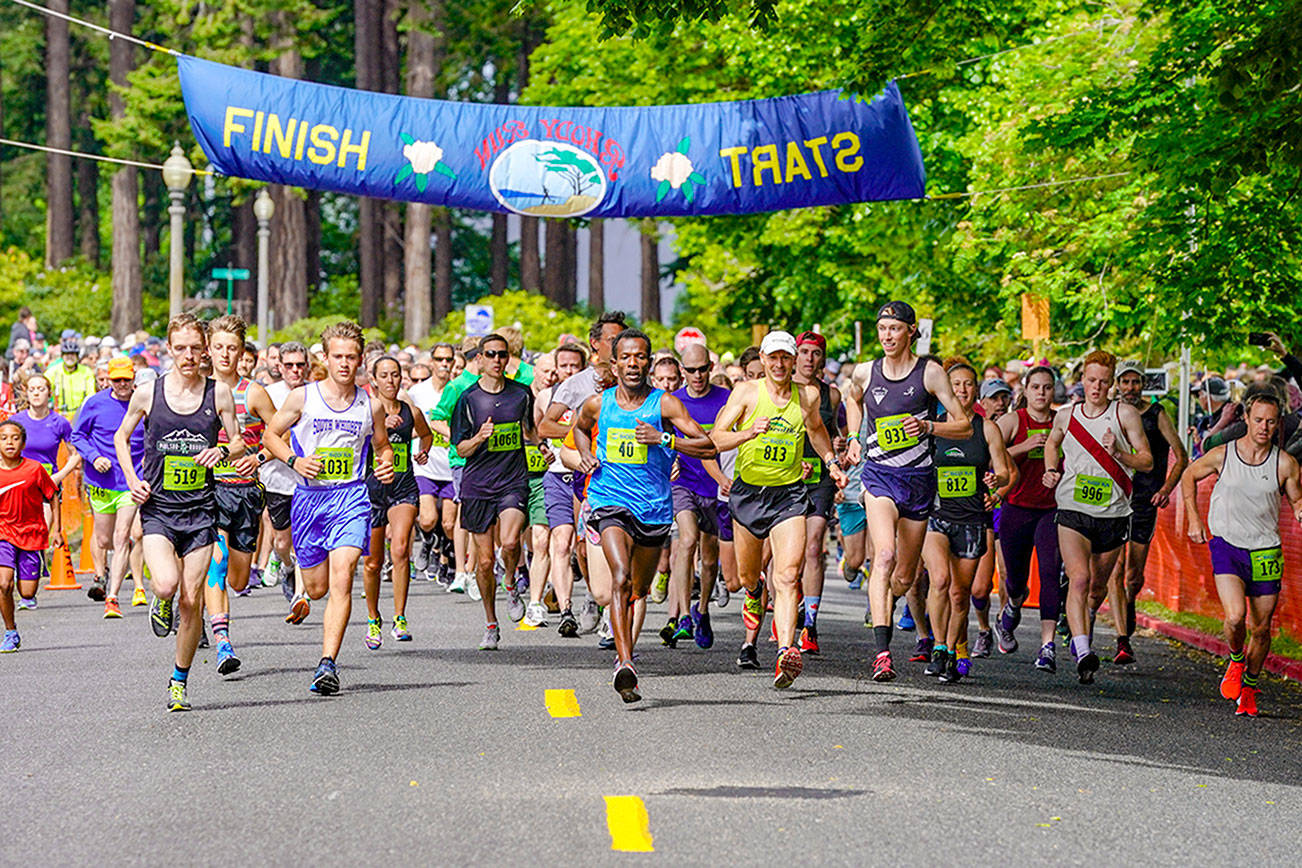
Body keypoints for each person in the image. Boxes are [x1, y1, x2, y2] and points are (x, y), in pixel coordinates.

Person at [571, 328, 716, 701]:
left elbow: (707, 444)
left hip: (652, 508)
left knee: (638, 589)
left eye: (640, 357)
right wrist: (586, 454)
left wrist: (664, 439)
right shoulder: (598, 404)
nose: (634, 363)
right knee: (619, 577)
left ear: (648, 363)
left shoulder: (664, 404)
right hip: (609, 501)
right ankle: (625, 663)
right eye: (627, 357)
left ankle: (626, 654)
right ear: (614, 364)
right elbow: (579, 428)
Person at [115, 314, 245, 712]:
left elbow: (239, 441)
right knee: (167, 585)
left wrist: (222, 450)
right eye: (180, 348)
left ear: (204, 349)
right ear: (168, 350)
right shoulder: (147, 392)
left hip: (202, 511)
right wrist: (132, 478)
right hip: (159, 509)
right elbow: (122, 437)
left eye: (195, 347)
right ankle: (160, 600)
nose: (188, 355)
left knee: (192, 601)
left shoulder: (218, 393)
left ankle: (178, 680)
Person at [264, 321, 395, 695]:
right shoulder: (303, 398)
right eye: (338, 356)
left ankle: (328, 664)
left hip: (351, 497)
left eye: (352, 357)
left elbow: (382, 445)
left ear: (361, 360)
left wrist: (384, 462)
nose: (344, 364)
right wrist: (293, 461)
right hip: (309, 499)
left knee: (343, 576)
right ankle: (303, 587)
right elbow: (272, 435)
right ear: (325, 356)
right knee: (319, 588)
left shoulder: (370, 404)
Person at [711, 330, 846, 688]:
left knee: (787, 576)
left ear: (792, 360)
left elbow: (816, 430)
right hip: (749, 493)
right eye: (773, 358)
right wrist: (746, 434)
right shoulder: (745, 393)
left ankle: (787, 651)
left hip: (788, 494)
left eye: (786, 357)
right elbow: (716, 438)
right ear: (764, 360)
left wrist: (830, 461)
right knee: (746, 577)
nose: (780, 364)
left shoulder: (809, 395)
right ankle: (754, 596)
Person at [844, 302, 971, 682]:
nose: (886, 336)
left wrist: (929, 427)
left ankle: (887, 599)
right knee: (882, 556)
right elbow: (853, 399)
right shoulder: (865, 371)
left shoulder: (929, 374)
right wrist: (854, 436)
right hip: (879, 476)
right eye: (882, 329)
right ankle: (882, 652)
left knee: (904, 576)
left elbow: (963, 425)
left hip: (918, 481)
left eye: (895, 329)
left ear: (911, 332)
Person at [1182, 391, 1302, 717]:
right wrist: (1194, 517)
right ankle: (1236, 659)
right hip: (1227, 544)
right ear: (1246, 419)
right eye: (1258, 419)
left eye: (1271, 421)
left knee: (1261, 629)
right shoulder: (1224, 455)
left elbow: (1297, 503)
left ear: (1278, 424)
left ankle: (1248, 687)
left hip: (1265, 550)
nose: (1264, 427)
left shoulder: (1285, 464)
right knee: (1235, 617)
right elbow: (1188, 475)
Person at [1042, 350, 1152, 684]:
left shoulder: (1126, 415)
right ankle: (1083, 648)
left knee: (1097, 588)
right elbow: (1052, 443)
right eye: (1091, 380)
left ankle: (1083, 623)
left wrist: (1119, 453)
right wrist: (1050, 469)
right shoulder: (1066, 414)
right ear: (1083, 381)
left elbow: (1146, 460)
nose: (1096, 387)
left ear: (1112, 384)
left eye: (1103, 382)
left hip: (1114, 513)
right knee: (1079, 579)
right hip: (1073, 510)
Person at [920, 360, 1012, 682]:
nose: (961, 390)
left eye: (968, 384)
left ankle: (948, 647)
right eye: (955, 384)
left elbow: (1004, 470)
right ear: (946, 389)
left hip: (972, 519)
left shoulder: (987, 429)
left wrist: (995, 483)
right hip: (937, 516)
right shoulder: (933, 426)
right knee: (940, 580)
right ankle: (939, 649)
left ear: (977, 390)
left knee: (961, 595)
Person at [537, 311, 628, 634]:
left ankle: (613, 611)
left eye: (623, 339)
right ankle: (594, 595)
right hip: (583, 472)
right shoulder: (576, 385)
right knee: (583, 547)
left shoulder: (632, 379)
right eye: (612, 340)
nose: (619, 346)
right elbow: (545, 425)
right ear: (595, 344)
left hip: (629, 473)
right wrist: (582, 434)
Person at [450, 333, 537, 651]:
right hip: (478, 484)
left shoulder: (522, 394)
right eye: (491, 354)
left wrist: (543, 447)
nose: (498, 360)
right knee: (485, 562)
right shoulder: (468, 399)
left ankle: (511, 581)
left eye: (503, 354)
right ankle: (490, 622)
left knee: (511, 541)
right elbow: (461, 448)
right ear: (480, 359)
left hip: (513, 480)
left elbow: (530, 431)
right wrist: (479, 438)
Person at [204, 315, 278, 675]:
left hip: (246, 493)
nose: (224, 354)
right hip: (207, 491)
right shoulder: (197, 391)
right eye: (218, 347)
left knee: (237, 578)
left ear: (242, 352)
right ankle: (223, 643)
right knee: (214, 562)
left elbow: (282, 435)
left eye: (231, 348)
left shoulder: (253, 393)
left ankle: (207, 609)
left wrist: (259, 457)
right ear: (209, 349)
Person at [1104, 360, 1188, 665]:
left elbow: (1181, 456)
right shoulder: (1110, 411)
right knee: (1115, 570)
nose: (1129, 388)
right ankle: (1122, 640)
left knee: (1133, 575)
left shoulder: (1157, 413)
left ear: (1143, 385)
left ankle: (1130, 604)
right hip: (1113, 498)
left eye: (1135, 382)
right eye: (1124, 382)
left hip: (1144, 502)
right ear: (1117, 384)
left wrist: (1165, 489)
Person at [993, 365, 1062, 671]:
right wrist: (1023, 446)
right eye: (1036, 387)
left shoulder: (1063, 421)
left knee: (1049, 571)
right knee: (1016, 579)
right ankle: (1012, 604)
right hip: (1016, 507)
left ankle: (1048, 645)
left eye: (1047, 388)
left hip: (1051, 509)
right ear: (1026, 389)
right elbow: (992, 454)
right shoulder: (1012, 421)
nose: (1042, 394)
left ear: (1053, 391)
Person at [361, 356, 431, 648]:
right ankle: (373, 617)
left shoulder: (410, 411)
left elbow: (426, 435)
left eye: (395, 375)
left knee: (401, 548)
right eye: (385, 376)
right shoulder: (363, 410)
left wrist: (423, 451)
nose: (391, 381)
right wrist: (377, 424)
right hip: (370, 490)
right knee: (373, 562)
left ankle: (400, 617)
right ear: (373, 379)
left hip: (403, 486)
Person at [668, 342, 732, 649]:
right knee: (687, 540)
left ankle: (702, 609)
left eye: (702, 369)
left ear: (711, 368)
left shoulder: (726, 399)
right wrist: (668, 463)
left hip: (716, 487)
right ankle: (683, 615)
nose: (697, 376)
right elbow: (657, 440)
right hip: (684, 484)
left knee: (709, 560)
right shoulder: (672, 402)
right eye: (690, 370)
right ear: (682, 371)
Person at [71, 357, 146, 610]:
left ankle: (112, 597)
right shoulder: (94, 403)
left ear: (133, 377)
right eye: (117, 380)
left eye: (127, 379)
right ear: (109, 380)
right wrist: (94, 457)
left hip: (131, 480)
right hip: (102, 481)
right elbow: (77, 436)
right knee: (104, 540)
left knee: (122, 536)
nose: (122, 384)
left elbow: (155, 436)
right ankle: (106, 571)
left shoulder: (144, 402)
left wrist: (148, 461)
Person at [528, 342, 592, 630]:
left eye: (574, 366)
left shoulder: (595, 396)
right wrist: (545, 446)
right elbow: (539, 429)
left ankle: (594, 598)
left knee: (585, 547)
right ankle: (566, 610)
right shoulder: (546, 396)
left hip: (588, 477)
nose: (568, 371)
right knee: (560, 542)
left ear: (583, 367)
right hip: (556, 476)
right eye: (563, 365)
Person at [8, 375, 80, 609]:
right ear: (26, 393)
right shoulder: (16, 421)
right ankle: (17, 570)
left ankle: (29, 575)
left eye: (41, 389)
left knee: (39, 531)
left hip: (46, 485)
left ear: (49, 393)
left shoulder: (59, 423)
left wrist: (60, 475)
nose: (36, 393)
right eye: (32, 389)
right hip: (18, 486)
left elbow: (76, 454)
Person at [792, 331, 844, 654]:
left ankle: (810, 623)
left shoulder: (832, 395)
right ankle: (784, 604)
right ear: (795, 356)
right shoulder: (783, 391)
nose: (809, 358)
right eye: (804, 352)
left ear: (822, 359)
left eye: (816, 353)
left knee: (813, 547)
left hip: (821, 478)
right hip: (786, 476)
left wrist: (838, 445)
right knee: (787, 552)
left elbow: (834, 432)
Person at [0, 420, 62, 651]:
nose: (9, 442)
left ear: (23, 443)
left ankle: (30, 573)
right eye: (4, 438)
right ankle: (10, 631)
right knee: (4, 584)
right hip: (3, 533)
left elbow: (53, 496)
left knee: (26, 592)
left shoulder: (34, 469)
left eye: (15, 438)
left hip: (31, 535)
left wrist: (57, 530)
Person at [258, 341, 309, 621]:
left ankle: (300, 596)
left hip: (308, 480)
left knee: (302, 541)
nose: (294, 370)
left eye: (300, 365)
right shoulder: (269, 395)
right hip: (277, 478)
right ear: (280, 366)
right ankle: (285, 565)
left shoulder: (317, 393)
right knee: (281, 541)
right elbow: (268, 434)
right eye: (289, 365)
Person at [409, 343, 457, 586]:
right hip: (424, 465)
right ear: (432, 362)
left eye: (448, 359)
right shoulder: (418, 392)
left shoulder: (458, 390)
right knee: (427, 519)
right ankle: (428, 541)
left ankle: (446, 553)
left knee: (449, 523)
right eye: (439, 359)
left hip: (450, 466)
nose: (444, 364)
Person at [48, 337, 97, 419]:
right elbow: (44, 386)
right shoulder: (53, 371)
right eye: (67, 354)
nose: (70, 357)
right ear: (62, 356)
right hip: (60, 414)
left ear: (77, 356)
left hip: (81, 414)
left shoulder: (86, 372)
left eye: (73, 354)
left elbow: (91, 395)